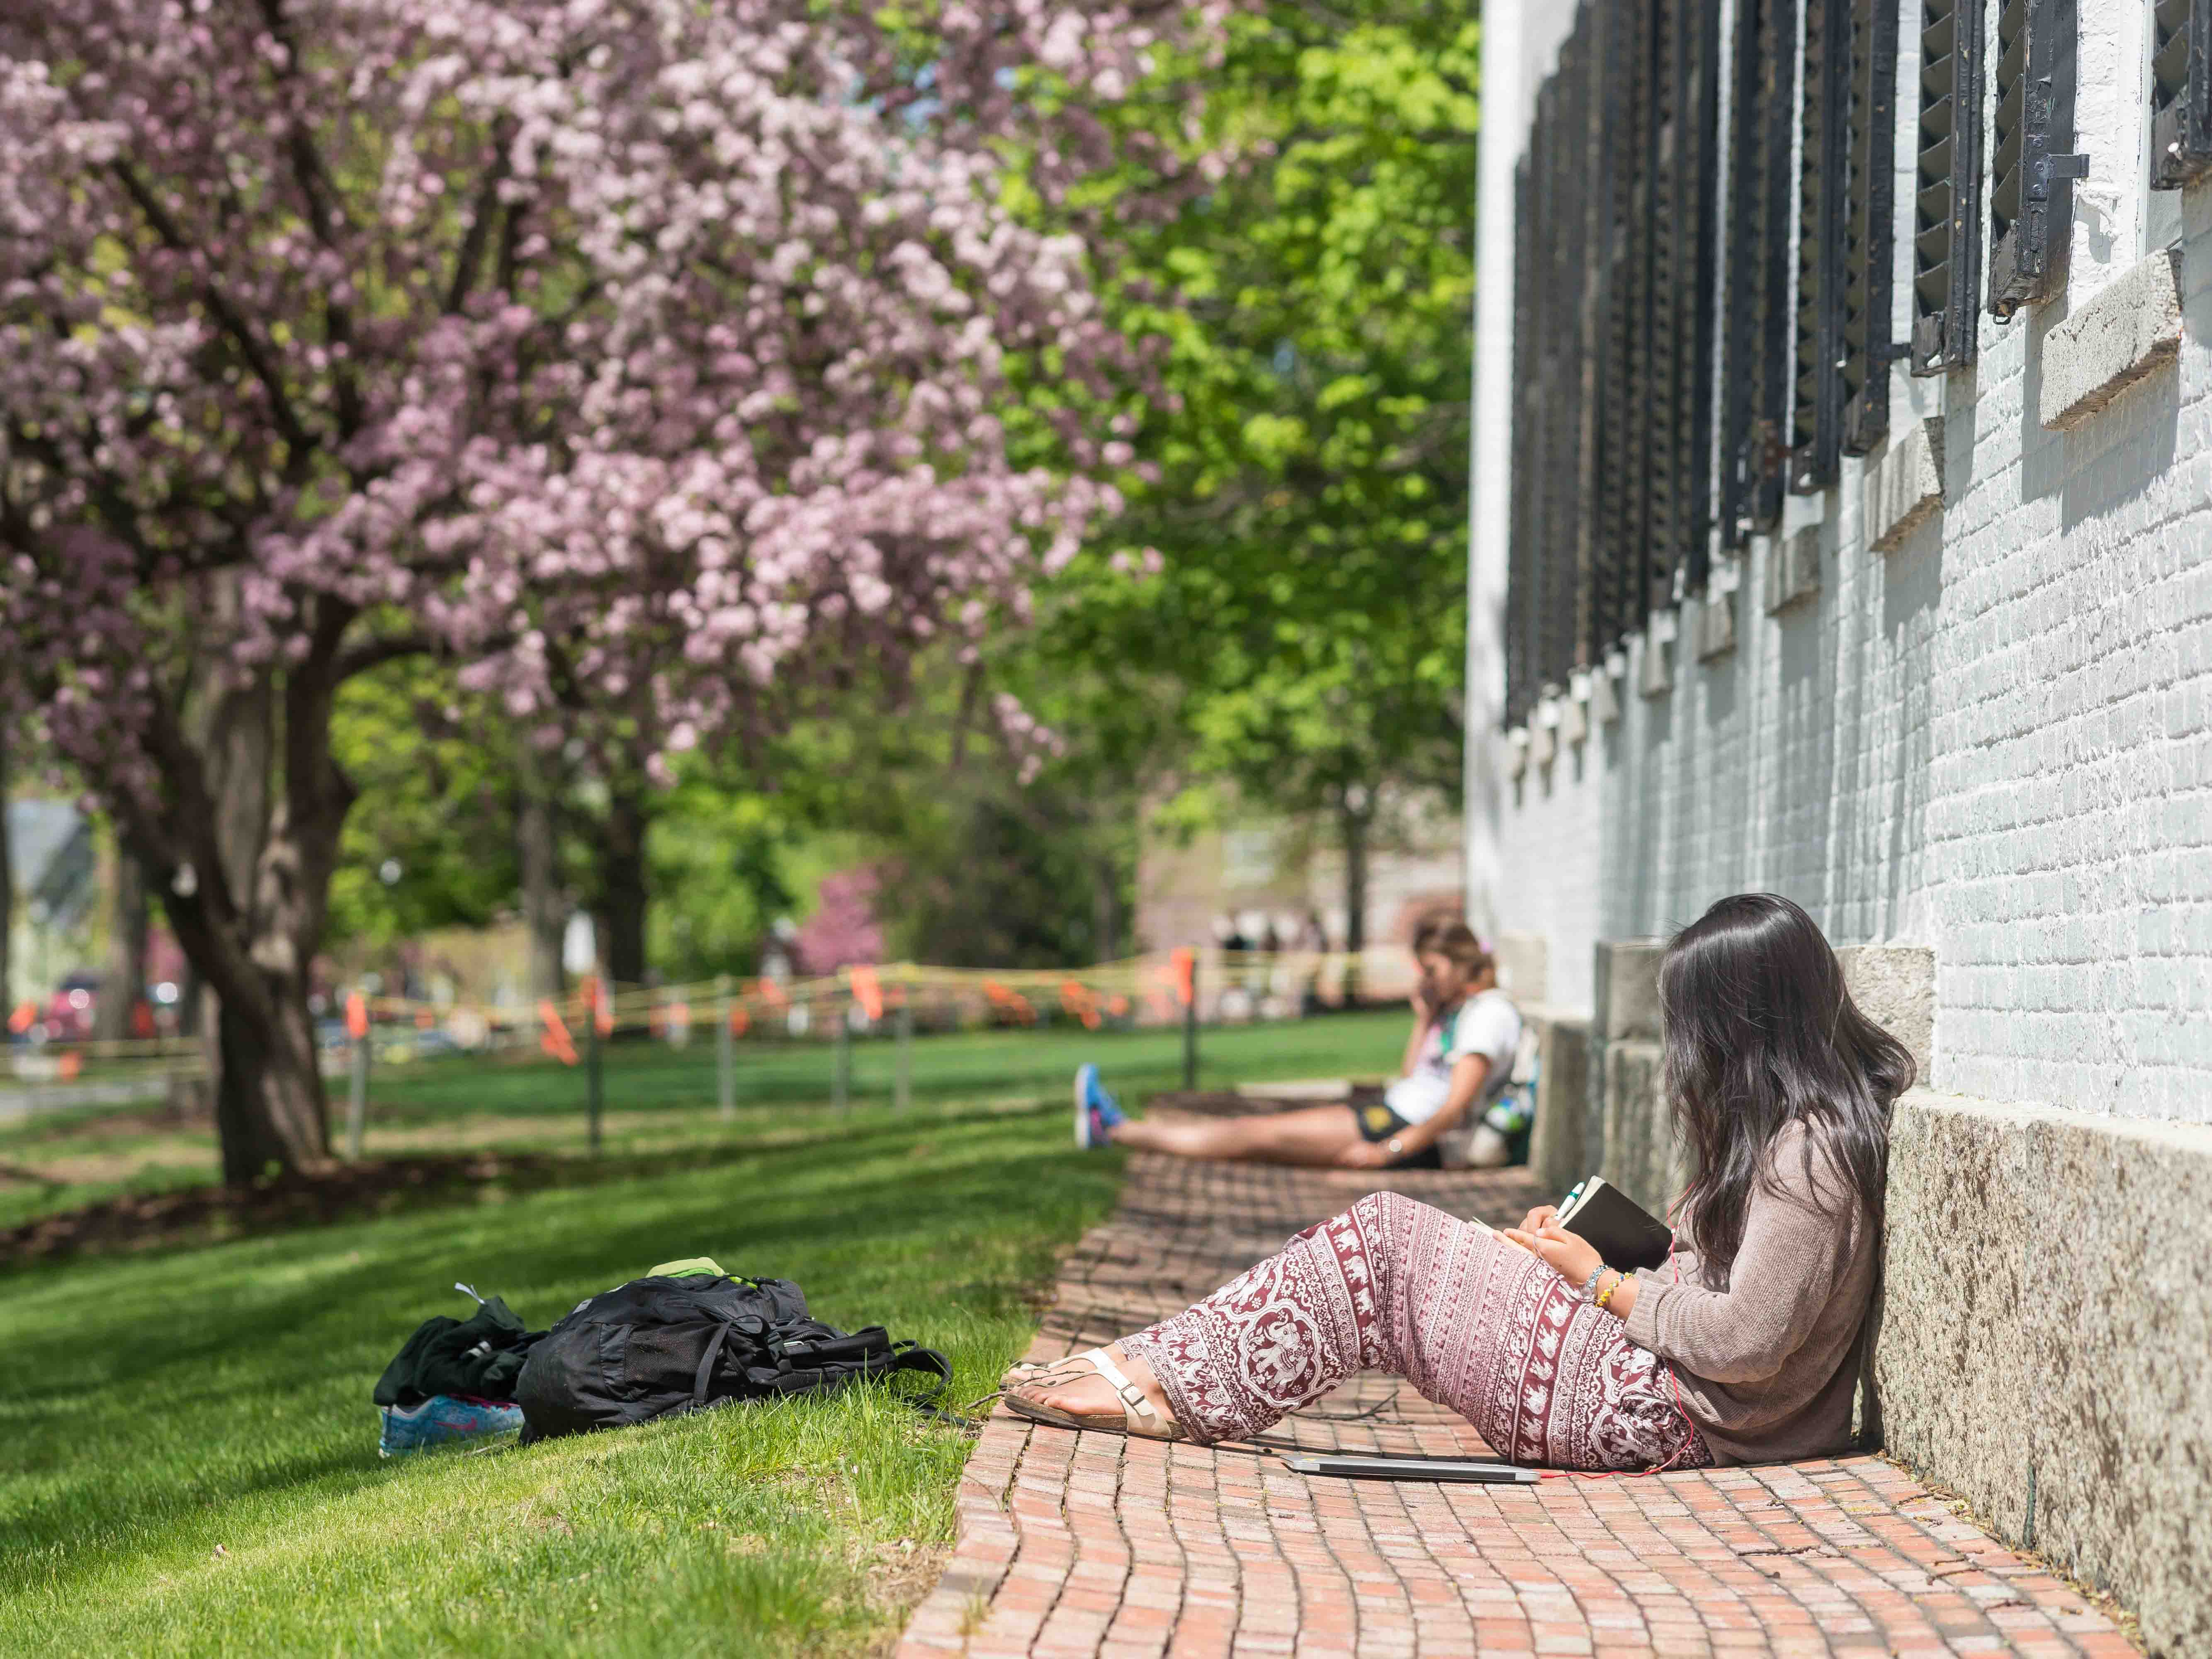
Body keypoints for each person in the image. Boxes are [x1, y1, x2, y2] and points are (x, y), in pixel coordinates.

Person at [1014, 893, 1914, 1471]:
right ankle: (1154, 1366)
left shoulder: (1812, 1153)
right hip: (1658, 1381)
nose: (1686, 1052)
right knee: (1404, 1237)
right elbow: (1721, 1288)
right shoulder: (1794, 1135)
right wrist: (1592, 1251)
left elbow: (1749, 1339)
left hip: (1662, 1410)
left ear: (1743, 1024)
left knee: (1383, 1242)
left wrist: (1599, 1280)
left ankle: (1163, 1384)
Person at [1073, 921, 1520, 1171]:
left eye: (1432, 969)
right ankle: (1115, 1128)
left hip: (1400, 1130)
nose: (1425, 980)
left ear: (1464, 964)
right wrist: (1425, 1018)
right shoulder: (1460, 1012)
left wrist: (1389, 1152)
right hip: (1395, 1115)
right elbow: (1415, 1077)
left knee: (1253, 1135)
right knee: (1254, 1137)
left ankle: (1114, 1129)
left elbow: (1453, 1108)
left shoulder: (1489, 1015)